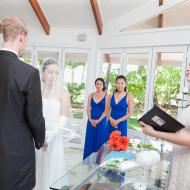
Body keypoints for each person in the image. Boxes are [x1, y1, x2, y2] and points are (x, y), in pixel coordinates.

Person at [0, 17, 45, 190]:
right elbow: (34, 117)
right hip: (15, 154)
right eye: (26, 39)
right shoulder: (28, 73)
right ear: (22, 36)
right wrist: (40, 139)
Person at [140, 66, 190, 190]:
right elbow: (183, 131)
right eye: (188, 67)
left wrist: (156, 133)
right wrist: (158, 125)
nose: (187, 69)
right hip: (179, 156)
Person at [35, 58, 75, 190]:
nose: (53, 76)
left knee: (52, 168)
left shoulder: (63, 92)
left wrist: (49, 137)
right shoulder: (36, 91)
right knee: (37, 167)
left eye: (56, 72)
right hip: (37, 137)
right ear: (43, 73)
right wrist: (40, 135)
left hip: (54, 137)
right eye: (50, 72)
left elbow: (63, 117)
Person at [83, 78, 108, 160]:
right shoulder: (91, 95)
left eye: (101, 84)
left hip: (102, 122)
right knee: (90, 140)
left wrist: (98, 120)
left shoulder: (107, 95)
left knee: (100, 141)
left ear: (103, 85)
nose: (99, 85)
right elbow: (89, 108)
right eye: (97, 84)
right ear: (95, 85)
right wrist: (90, 119)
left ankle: (98, 160)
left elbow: (106, 110)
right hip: (91, 121)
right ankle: (88, 160)